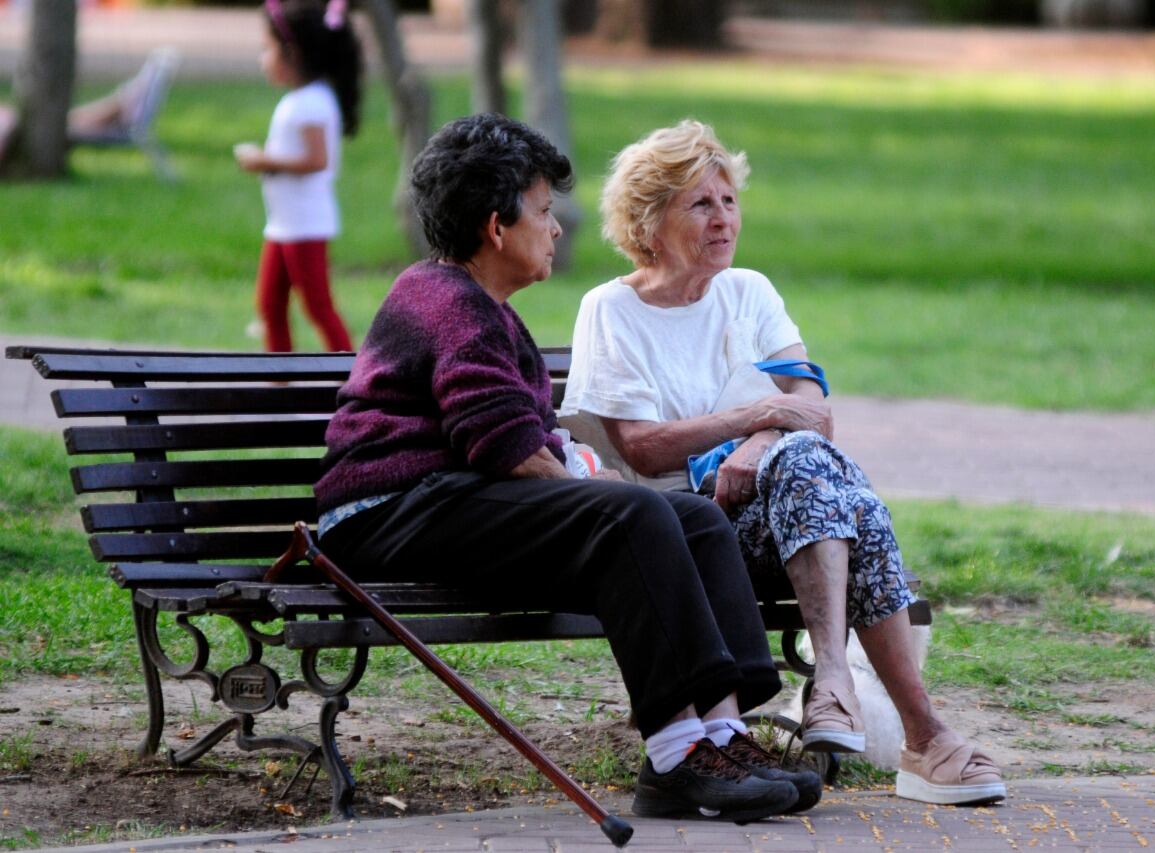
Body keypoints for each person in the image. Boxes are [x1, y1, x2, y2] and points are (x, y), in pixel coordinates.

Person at [312, 113, 823, 823]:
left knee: (697, 519)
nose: (555, 228)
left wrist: (585, 481)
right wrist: (592, 486)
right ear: (497, 227)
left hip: (447, 500)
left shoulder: (480, 304)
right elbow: (505, 447)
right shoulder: (451, 302)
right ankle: (676, 755)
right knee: (632, 512)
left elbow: (515, 441)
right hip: (387, 513)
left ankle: (722, 734)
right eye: (543, 211)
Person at [561, 120, 1008, 807]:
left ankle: (835, 683)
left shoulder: (749, 291)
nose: (724, 219)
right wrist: (757, 417)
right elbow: (644, 445)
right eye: (701, 204)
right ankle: (920, 735)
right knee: (847, 502)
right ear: (648, 223)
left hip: (786, 517)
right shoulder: (612, 310)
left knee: (813, 470)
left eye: (729, 201)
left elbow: (812, 409)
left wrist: (760, 440)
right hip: (685, 534)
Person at [234, 0, 359, 353]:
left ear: (292, 53)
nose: (262, 59)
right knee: (270, 305)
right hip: (284, 222)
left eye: (267, 49)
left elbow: (317, 160)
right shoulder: (305, 100)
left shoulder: (309, 103)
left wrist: (263, 161)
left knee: (318, 306)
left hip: (305, 224)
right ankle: (278, 379)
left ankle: (352, 374)